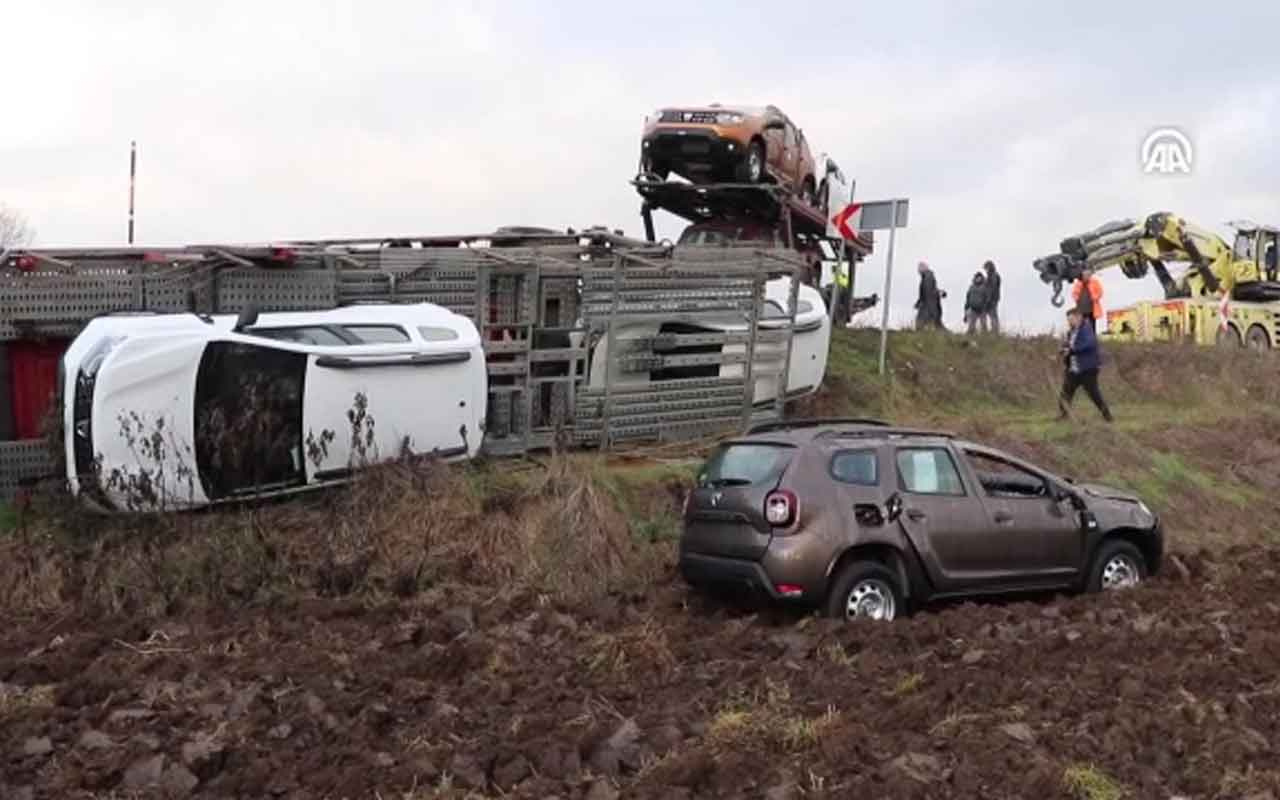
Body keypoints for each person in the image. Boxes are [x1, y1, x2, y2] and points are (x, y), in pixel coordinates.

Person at [1058, 307, 1113, 422]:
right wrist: (1063, 350)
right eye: (1068, 319)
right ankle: (1063, 416)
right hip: (1073, 369)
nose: (1069, 322)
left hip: (1087, 369)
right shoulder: (1071, 332)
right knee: (1065, 392)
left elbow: (1089, 344)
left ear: (1079, 317)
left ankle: (1107, 416)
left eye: (1071, 319)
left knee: (1094, 394)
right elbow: (1069, 345)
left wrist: (1072, 350)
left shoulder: (1087, 329)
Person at [914, 261, 944, 329]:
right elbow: (928, 292)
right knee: (936, 324)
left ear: (923, 269)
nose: (918, 271)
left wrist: (922, 303)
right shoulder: (927, 277)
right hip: (930, 305)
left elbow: (928, 292)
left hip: (928, 306)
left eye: (919, 269)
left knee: (920, 324)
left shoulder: (928, 277)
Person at [1071, 268, 1103, 332]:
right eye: (1085, 275)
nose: (1086, 276)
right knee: (1081, 326)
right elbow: (1074, 293)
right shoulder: (1078, 283)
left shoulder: (1095, 282)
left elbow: (1100, 292)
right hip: (1081, 309)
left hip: (1092, 308)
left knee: (1092, 325)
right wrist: (1076, 298)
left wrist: (1094, 297)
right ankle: (1083, 340)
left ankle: (1092, 339)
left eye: (1088, 275)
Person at [982, 259, 1001, 333]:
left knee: (993, 315)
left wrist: (988, 300)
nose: (985, 270)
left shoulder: (993, 276)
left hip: (992, 299)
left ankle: (995, 330)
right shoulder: (990, 276)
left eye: (986, 268)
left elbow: (991, 289)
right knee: (991, 315)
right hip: (991, 299)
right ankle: (992, 330)